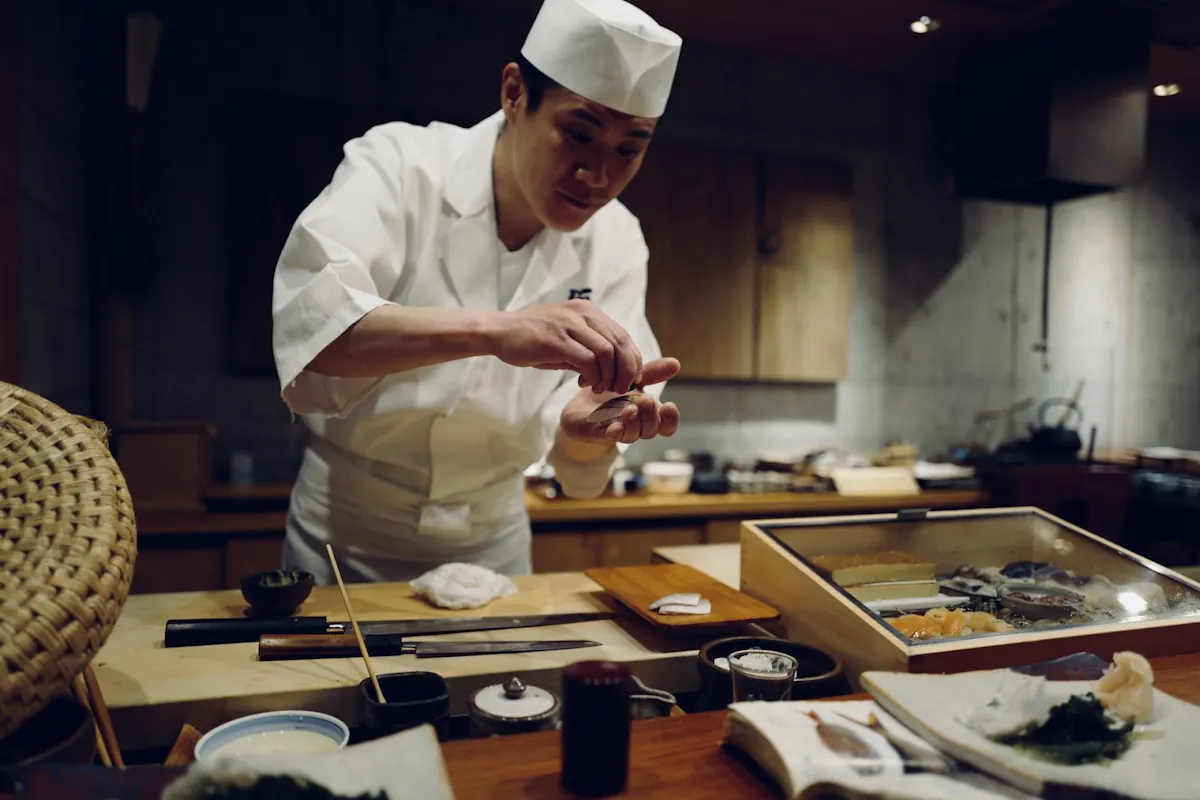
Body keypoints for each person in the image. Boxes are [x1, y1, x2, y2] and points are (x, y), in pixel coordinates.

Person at [271, 0, 684, 585]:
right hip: (345, 534)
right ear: (515, 94)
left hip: (494, 545)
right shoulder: (398, 165)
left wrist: (582, 435)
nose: (597, 176)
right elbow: (315, 333)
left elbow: (579, 459)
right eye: (578, 134)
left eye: (628, 149)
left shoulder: (617, 237)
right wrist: (498, 331)